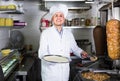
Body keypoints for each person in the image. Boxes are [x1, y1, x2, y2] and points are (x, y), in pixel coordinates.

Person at [38, 4, 88, 81]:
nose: (58, 18)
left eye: (61, 16)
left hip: (64, 73)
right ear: (52, 18)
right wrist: (53, 60)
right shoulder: (46, 33)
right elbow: (41, 53)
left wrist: (81, 52)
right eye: (56, 15)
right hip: (50, 73)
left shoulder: (69, 33)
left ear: (64, 19)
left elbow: (74, 48)